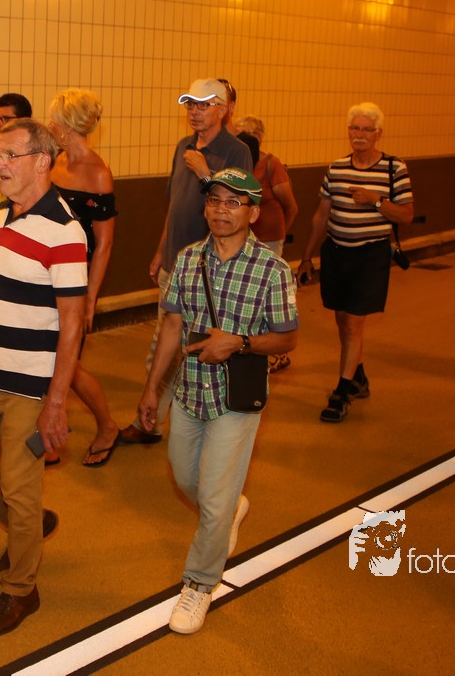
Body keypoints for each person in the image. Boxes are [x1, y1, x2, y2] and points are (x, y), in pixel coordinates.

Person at [137, 167, 298, 636]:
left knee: (211, 497)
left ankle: (200, 583)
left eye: (233, 202)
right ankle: (228, 508)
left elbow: (287, 338)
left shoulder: (272, 269)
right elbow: (172, 326)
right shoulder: (189, 260)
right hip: (189, 391)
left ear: (253, 212)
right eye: (214, 201)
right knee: (185, 477)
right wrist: (152, 389)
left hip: (236, 398)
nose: (221, 210)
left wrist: (240, 342)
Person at [0, 118, 88, 636]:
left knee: (19, 487)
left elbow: (72, 325)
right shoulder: (1, 212)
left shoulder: (66, 231)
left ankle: (21, 589)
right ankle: (26, 527)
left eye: (9, 156)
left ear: (42, 161)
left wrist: (56, 402)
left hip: (29, 385)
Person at [119, 78, 253, 445]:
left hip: (211, 266)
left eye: (204, 104)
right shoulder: (183, 146)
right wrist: (161, 250)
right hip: (175, 262)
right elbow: (175, 205)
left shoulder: (236, 151)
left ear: (223, 109)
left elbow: (236, 207)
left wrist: (205, 173)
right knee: (163, 343)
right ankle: (150, 420)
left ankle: (198, 422)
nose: (195, 111)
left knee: (201, 345)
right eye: (190, 104)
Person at [296, 102, 414, 423]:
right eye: (354, 128)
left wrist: (375, 200)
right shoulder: (336, 168)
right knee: (342, 320)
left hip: (370, 255)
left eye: (366, 129)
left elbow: (406, 215)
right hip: (337, 253)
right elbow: (321, 216)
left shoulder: (394, 169)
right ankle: (358, 376)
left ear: (378, 133)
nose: (359, 134)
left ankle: (342, 392)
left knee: (352, 325)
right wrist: (306, 257)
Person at [47, 89, 121, 466]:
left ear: (67, 125)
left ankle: (107, 426)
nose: (49, 124)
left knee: (69, 366)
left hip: (74, 281)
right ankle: (48, 438)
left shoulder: (98, 173)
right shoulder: (55, 161)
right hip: (47, 273)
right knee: (46, 360)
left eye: (54, 119)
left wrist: (90, 299)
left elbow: (104, 245)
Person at [238, 115, 299, 372]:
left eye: (248, 133)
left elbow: (291, 207)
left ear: (259, 137)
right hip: (243, 242)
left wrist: (280, 235)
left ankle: (278, 352)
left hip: (269, 240)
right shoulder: (238, 163)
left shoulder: (272, 165)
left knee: (269, 296)